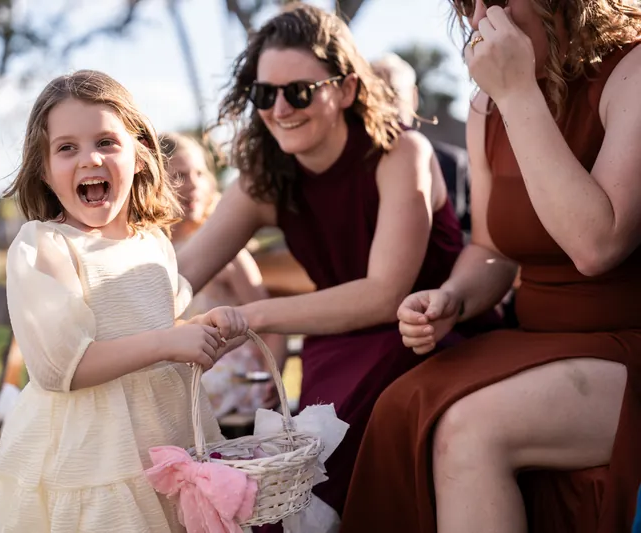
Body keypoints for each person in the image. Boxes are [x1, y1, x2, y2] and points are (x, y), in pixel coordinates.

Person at [175, 4, 497, 525]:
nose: (280, 108)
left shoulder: (401, 154)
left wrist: (254, 316)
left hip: (427, 338)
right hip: (337, 352)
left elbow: (384, 295)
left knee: (330, 456)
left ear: (345, 89)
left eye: (299, 91)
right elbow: (180, 272)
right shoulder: (264, 179)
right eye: (264, 94)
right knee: (302, 463)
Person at [342, 1, 641, 532]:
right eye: (467, 3)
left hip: (628, 343)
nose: (482, 15)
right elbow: (492, 250)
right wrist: (454, 296)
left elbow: (597, 245)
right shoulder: (487, 108)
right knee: (397, 406)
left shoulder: (632, 73)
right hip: (540, 338)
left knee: (469, 429)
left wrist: (519, 94)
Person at [0, 70, 248, 533]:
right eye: (66, 147)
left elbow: (166, 338)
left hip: (168, 439)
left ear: (140, 155)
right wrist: (168, 343)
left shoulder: (153, 244)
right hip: (89, 455)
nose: (89, 158)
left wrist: (204, 333)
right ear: (45, 170)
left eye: (107, 141)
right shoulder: (45, 246)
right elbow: (61, 369)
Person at [159, 131, 288, 418]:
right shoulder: (151, 254)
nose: (193, 185)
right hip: (182, 368)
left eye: (199, 174)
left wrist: (270, 379)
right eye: (178, 176)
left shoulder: (226, 253)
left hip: (230, 373)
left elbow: (272, 327)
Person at [371, 53, 472, 233]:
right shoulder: (355, 168)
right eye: (376, 96)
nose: (386, 106)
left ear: (414, 97)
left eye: (393, 93)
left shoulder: (454, 164)